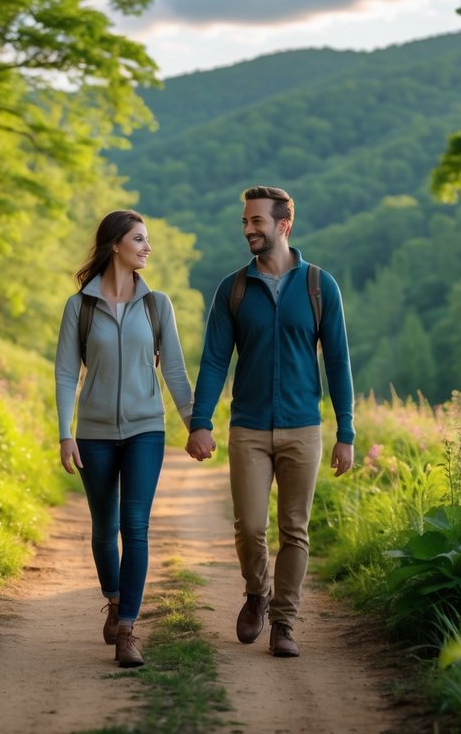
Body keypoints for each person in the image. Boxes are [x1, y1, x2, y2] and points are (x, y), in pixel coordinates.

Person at [185, 185, 354, 658]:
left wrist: (346, 432)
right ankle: (257, 593)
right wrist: (201, 422)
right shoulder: (234, 289)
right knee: (250, 526)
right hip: (249, 428)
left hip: (304, 427)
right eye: (244, 222)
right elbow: (215, 360)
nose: (247, 230)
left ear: (283, 225)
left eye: (255, 221)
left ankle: (284, 621)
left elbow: (338, 361)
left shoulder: (320, 286)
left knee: (295, 529)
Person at [54, 210, 193, 668]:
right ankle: (113, 601)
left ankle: (129, 629)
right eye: (139, 239)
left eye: (147, 239)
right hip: (92, 434)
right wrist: (66, 433)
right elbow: (65, 375)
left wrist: (196, 424)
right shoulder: (80, 307)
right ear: (116, 245)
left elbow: (173, 368)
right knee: (103, 529)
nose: (147, 247)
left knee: (135, 526)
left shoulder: (157, 305)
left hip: (145, 429)